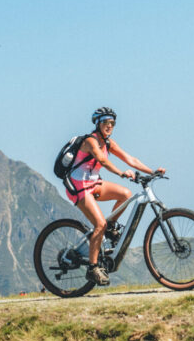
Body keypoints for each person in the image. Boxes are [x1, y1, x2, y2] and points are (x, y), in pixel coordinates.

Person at [65, 107, 165, 286]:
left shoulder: (109, 143)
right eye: (105, 122)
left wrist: (152, 170)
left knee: (126, 194)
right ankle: (93, 268)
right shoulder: (90, 141)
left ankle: (110, 228)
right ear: (97, 123)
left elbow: (130, 159)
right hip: (79, 186)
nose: (109, 126)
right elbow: (102, 160)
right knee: (99, 224)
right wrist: (121, 173)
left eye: (112, 123)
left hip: (94, 183)